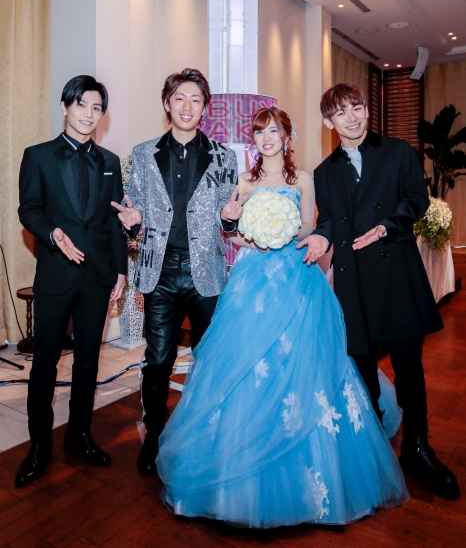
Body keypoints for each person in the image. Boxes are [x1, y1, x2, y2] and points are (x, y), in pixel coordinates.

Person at [155, 107, 409, 529]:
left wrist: (285, 230)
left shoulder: (303, 178)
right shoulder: (243, 180)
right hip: (252, 279)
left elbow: (311, 224)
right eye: (260, 132)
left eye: (274, 131)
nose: (267, 138)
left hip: (295, 274)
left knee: (306, 363)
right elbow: (233, 233)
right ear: (253, 140)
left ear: (286, 136)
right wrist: (241, 228)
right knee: (245, 364)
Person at [298, 83, 460, 501]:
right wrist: (320, 236)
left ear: (367, 110)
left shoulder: (398, 152)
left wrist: (387, 226)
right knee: (363, 367)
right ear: (328, 122)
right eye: (341, 112)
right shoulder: (325, 171)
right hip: (353, 280)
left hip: (395, 273)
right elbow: (329, 220)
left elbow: (417, 199)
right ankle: (370, 446)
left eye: (356, 108)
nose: (351, 117)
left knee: (409, 366)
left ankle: (418, 448)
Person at [112, 68, 245, 476]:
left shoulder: (224, 156)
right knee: (158, 359)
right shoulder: (143, 153)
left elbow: (228, 217)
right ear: (167, 104)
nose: (187, 106)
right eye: (180, 98)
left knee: (209, 358)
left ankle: (204, 431)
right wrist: (132, 223)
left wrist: (230, 219)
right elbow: (134, 210)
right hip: (161, 272)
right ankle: (154, 433)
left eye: (196, 99)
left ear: (205, 108)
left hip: (208, 272)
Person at [16, 75, 127, 489]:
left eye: (97, 108)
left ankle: (79, 435)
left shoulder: (110, 161)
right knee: (45, 361)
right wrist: (52, 234)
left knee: (88, 361)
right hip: (55, 274)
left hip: (97, 276)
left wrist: (121, 269)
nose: (89, 114)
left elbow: (115, 220)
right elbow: (29, 209)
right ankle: (39, 445)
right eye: (82, 104)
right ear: (65, 106)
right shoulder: (38, 156)